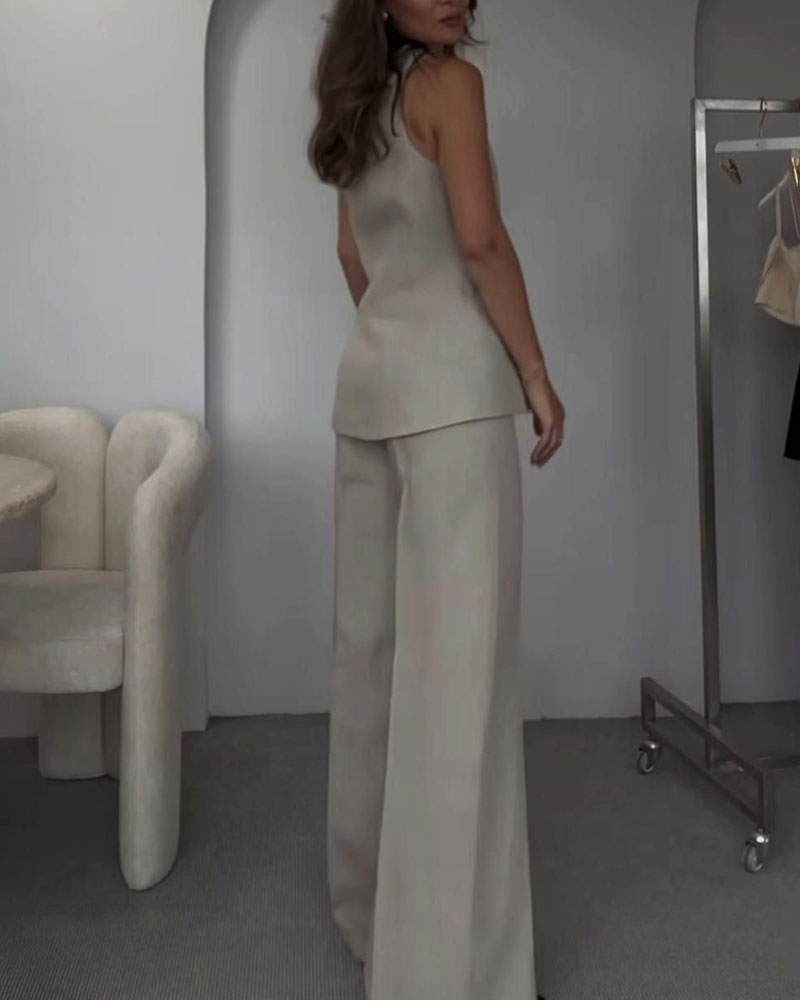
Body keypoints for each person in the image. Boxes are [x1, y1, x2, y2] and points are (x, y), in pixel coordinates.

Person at [307, 3, 564, 998]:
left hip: (370, 391)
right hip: (453, 401)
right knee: (457, 677)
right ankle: (444, 968)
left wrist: (396, 343)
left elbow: (351, 256)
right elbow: (481, 242)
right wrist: (533, 373)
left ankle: (369, 914)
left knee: (371, 659)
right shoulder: (451, 84)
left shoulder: (354, 93)